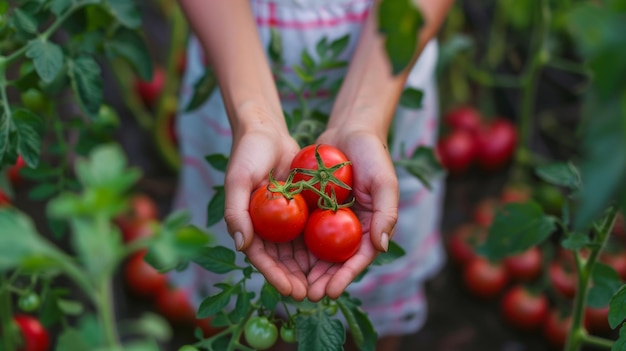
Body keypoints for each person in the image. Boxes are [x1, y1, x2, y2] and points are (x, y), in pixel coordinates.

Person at [172, 0, 453, 349]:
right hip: (233, 53)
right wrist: (255, 120)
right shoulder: (320, 178)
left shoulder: (304, 183)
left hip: (387, 68)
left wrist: (364, 120)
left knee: (376, 298)